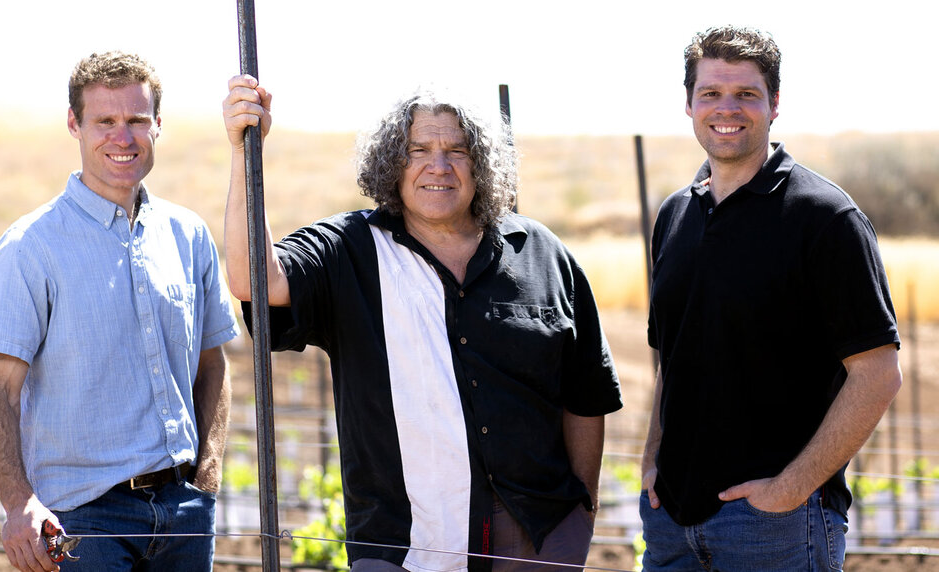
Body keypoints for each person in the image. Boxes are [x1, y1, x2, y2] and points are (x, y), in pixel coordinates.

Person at [222, 76, 622, 571]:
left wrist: (579, 515)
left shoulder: (540, 252)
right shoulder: (350, 249)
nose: (439, 165)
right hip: (401, 540)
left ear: (482, 165)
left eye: (458, 150)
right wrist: (246, 153)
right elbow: (252, 278)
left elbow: (586, 395)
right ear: (393, 161)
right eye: (419, 150)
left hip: (537, 536)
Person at [640, 26, 902, 570]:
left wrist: (790, 489)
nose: (726, 108)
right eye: (710, 93)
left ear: (775, 104)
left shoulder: (825, 218)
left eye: (746, 94)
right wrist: (650, 462)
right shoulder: (673, 216)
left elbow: (877, 373)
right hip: (670, 526)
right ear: (688, 103)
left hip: (776, 528)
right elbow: (673, 353)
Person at [0, 51, 239, 572]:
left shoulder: (189, 235)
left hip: (184, 513)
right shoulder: (30, 247)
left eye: (138, 120)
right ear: (75, 124)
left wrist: (206, 477)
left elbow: (213, 365)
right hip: (82, 521)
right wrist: (18, 503)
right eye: (105, 121)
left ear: (158, 125)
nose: (124, 137)